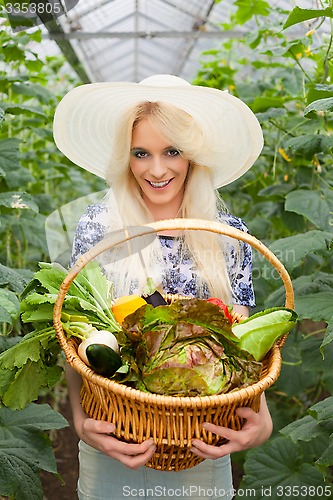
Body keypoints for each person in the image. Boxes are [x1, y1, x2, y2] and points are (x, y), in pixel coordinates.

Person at [53, 74, 273, 500]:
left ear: (193, 156)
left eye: (172, 151)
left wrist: (261, 420)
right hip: (116, 437)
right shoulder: (99, 227)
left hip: (202, 444)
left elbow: (246, 344)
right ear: (126, 158)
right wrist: (81, 420)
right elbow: (79, 336)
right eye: (141, 153)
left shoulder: (227, 235)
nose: (156, 169)